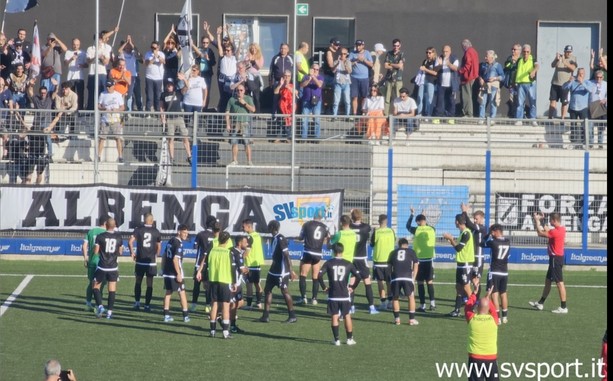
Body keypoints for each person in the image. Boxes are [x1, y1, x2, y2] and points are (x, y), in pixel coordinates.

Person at [317, 242, 360, 346]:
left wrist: (324, 287)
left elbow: (319, 275)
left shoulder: (329, 263)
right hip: (344, 294)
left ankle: (336, 340)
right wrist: (352, 287)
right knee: (347, 316)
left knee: (334, 316)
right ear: (342, 251)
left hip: (333, 294)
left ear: (333, 251)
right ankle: (349, 339)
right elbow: (358, 277)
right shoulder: (348, 263)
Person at [258, 220, 298, 323]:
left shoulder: (281, 239)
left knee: (285, 291)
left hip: (281, 272)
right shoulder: (274, 238)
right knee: (267, 290)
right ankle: (265, 315)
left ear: (272, 227)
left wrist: (291, 271)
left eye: (269, 226)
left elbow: (287, 256)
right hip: (273, 270)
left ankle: (292, 315)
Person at [529, 212, 568, 314]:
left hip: (556, 259)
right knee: (548, 281)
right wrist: (542, 220)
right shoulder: (561, 229)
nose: (550, 222)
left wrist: (537, 220)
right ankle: (541, 303)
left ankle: (563, 307)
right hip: (555, 259)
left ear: (554, 221)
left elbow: (540, 233)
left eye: (551, 220)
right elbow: (547, 229)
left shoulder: (555, 232)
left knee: (559, 283)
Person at [201, 231, 237, 338]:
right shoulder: (228, 253)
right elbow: (232, 268)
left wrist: (205, 280)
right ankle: (225, 332)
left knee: (214, 305)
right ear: (227, 241)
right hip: (225, 281)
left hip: (213, 281)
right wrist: (234, 282)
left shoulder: (212, 251)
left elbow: (205, 266)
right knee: (226, 306)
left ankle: (212, 331)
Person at [443, 213, 475, 317]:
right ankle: (457, 310)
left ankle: (473, 310)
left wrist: (451, 239)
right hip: (460, 264)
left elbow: (458, 249)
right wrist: (451, 240)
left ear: (457, 222)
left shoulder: (466, 233)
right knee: (458, 287)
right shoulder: (462, 232)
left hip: (465, 264)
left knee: (466, 287)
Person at [128, 212, 162, 312]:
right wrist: (156, 255)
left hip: (140, 261)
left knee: (138, 282)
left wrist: (132, 253)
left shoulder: (138, 230)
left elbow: (130, 241)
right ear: (152, 221)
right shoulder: (156, 231)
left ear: (144, 220)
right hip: (151, 262)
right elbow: (158, 246)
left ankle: (137, 303)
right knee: (149, 284)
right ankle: (147, 305)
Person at [465, 289, 500, 381]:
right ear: (488, 308)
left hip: (475, 358)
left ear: (477, 307)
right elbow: (492, 309)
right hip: (491, 358)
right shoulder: (494, 319)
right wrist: (487, 296)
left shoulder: (472, 318)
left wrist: (474, 293)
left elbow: (467, 307)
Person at [92, 218, 124, 319]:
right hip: (113, 267)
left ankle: (100, 306)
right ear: (114, 226)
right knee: (112, 290)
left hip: (102, 266)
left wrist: (95, 247)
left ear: (106, 225)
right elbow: (120, 252)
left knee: (95, 286)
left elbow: (96, 251)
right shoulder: (119, 237)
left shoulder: (100, 236)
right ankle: (109, 313)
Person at [296, 209, 330, 305]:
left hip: (308, 251)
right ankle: (314, 298)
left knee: (303, 275)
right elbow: (327, 239)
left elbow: (301, 237)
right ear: (322, 217)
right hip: (318, 253)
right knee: (315, 276)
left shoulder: (307, 224)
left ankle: (303, 297)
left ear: (313, 216)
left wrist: (297, 239)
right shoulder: (325, 227)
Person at [406, 207, 436, 312]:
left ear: (418, 222)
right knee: (430, 282)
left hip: (419, 260)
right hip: (429, 260)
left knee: (420, 283)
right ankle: (432, 303)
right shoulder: (432, 229)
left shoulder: (416, 229)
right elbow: (426, 225)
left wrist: (412, 214)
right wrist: (423, 216)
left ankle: (422, 305)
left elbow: (407, 226)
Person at [349, 208, 378, 314]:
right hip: (362, 258)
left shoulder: (350, 227)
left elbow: (348, 223)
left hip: (352, 258)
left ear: (352, 217)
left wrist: (351, 216)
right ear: (361, 216)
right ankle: (371, 307)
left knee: (352, 282)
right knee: (367, 282)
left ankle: (351, 307)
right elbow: (369, 229)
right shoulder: (366, 227)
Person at [482, 224, 511, 324]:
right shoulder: (507, 241)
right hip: (504, 272)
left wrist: (488, 235)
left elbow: (481, 243)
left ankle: (497, 318)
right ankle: (505, 317)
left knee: (494, 294)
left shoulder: (493, 242)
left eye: (492, 232)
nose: (491, 234)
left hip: (494, 271)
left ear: (495, 231)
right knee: (503, 294)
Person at [162, 224, 191, 323]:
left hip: (167, 272)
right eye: (184, 232)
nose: (186, 235)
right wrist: (178, 273)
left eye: (187, 233)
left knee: (168, 292)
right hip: (174, 273)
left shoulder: (171, 240)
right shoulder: (178, 243)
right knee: (182, 293)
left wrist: (163, 268)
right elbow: (175, 259)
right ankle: (185, 315)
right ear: (178, 232)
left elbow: (164, 255)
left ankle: (166, 315)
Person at [159, 78, 191, 165]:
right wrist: (162, 118)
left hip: (179, 117)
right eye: (167, 85)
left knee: (185, 137)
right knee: (171, 139)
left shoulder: (178, 93)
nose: (169, 86)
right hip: (170, 119)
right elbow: (161, 107)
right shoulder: (163, 94)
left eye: (170, 85)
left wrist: (184, 78)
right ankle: (172, 158)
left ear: (173, 85)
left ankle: (189, 156)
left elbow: (187, 87)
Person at [388, 238, 419, 325]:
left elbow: (389, 267)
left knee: (395, 297)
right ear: (407, 245)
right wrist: (414, 278)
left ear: (398, 245)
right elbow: (416, 265)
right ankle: (411, 319)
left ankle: (397, 319)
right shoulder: (411, 251)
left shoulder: (393, 252)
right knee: (411, 296)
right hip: (407, 277)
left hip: (396, 277)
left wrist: (391, 278)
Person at [563, 67, 595, 148]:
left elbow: (591, 90)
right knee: (573, 125)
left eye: (581, 74)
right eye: (578, 74)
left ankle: (584, 143)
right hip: (573, 107)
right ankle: (573, 142)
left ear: (584, 74)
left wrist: (582, 83)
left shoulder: (587, 82)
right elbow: (564, 88)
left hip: (583, 108)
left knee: (584, 125)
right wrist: (569, 81)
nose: (580, 75)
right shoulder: (573, 82)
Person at [191, 215, 217, 312]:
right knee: (208, 285)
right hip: (210, 264)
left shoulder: (201, 234)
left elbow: (195, 246)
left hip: (199, 263)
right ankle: (207, 305)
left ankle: (193, 304)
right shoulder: (216, 236)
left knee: (196, 285)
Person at [461, 203, 488, 298]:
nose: (475, 220)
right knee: (471, 278)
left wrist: (465, 211)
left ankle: (476, 300)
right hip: (471, 256)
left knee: (476, 279)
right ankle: (470, 297)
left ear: (481, 219)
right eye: (474, 219)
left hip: (478, 257)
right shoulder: (474, 228)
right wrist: (463, 212)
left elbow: (469, 224)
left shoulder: (482, 228)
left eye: (476, 219)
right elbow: (465, 222)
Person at [370, 214, 396, 311]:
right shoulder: (391, 231)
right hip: (389, 260)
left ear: (378, 221)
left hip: (379, 261)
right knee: (389, 282)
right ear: (387, 222)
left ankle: (383, 302)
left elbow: (372, 244)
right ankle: (390, 302)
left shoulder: (376, 232)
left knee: (380, 282)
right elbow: (394, 240)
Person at [225, 83, 255, 165]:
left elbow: (253, 109)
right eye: (237, 90)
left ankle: (249, 161)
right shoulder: (231, 99)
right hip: (235, 123)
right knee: (234, 142)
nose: (239, 92)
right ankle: (234, 160)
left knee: (247, 143)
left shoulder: (248, 98)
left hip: (245, 123)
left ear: (244, 91)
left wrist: (244, 103)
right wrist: (228, 124)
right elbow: (227, 112)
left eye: (241, 90)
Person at [82, 216, 107, 311]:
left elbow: (84, 246)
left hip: (92, 261)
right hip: (103, 262)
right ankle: (98, 304)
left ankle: (88, 304)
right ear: (105, 223)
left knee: (91, 283)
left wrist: (85, 258)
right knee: (101, 284)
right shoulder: (106, 233)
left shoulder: (91, 231)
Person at [97, 80, 125, 162]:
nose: (108, 88)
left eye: (110, 86)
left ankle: (120, 156)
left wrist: (117, 110)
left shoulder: (118, 95)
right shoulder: (102, 94)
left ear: (113, 86)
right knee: (102, 138)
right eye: (107, 86)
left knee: (118, 138)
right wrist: (104, 108)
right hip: (105, 119)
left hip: (115, 120)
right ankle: (98, 156)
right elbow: (99, 105)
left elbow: (122, 107)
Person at [85, 30, 113, 110]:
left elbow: (106, 62)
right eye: (98, 39)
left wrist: (101, 58)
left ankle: (101, 109)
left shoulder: (105, 49)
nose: (99, 41)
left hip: (102, 73)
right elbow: (88, 61)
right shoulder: (90, 49)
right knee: (91, 91)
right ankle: (90, 110)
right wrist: (95, 56)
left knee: (102, 91)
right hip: (92, 73)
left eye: (100, 39)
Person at [548, 45, 577, 120]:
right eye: (567, 52)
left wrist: (565, 62)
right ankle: (550, 117)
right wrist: (556, 59)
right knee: (552, 101)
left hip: (565, 84)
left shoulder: (573, 58)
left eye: (570, 52)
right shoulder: (560, 56)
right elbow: (552, 65)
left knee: (564, 103)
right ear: (564, 51)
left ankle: (563, 118)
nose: (568, 53)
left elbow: (573, 68)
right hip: (555, 83)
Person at [513, 44, 539, 126]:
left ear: (530, 51)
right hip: (521, 83)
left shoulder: (533, 59)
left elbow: (537, 66)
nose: (526, 53)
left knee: (532, 101)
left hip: (530, 83)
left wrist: (534, 71)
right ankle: (519, 119)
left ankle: (533, 119)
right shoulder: (520, 60)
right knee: (520, 103)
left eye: (527, 52)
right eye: (524, 52)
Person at [433, 45, 460, 124]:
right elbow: (435, 69)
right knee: (440, 101)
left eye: (446, 51)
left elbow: (455, 68)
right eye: (444, 51)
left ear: (450, 51)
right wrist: (440, 65)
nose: (445, 53)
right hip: (441, 84)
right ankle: (438, 117)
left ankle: (451, 117)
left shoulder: (454, 59)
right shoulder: (439, 58)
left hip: (451, 84)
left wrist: (448, 64)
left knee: (451, 101)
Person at [242, 218, 264, 310]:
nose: (242, 228)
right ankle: (259, 303)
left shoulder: (249, 237)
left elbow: (248, 250)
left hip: (250, 263)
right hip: (257, 263)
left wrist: (241, 256)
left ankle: (249, 304)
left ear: (249, 226)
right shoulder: (257, 235)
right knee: (257, 284)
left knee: (249, 285)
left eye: (243, 227)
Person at [477, 50, 505, 121]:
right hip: (484, 85)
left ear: (492, 57)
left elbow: (502, 76)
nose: (485, 57)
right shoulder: (483, 65)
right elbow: (480, 74)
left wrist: (495, 78)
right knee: (482, 102)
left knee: (493, 102)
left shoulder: (497, 65)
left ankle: (492, 119)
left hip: (493, 86)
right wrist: (480, 79)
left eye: (487, 56)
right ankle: (481, 118)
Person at [268, 43, 293, 120]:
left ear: (288, 49)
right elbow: (271, 70)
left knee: (287, 99)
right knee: (276, 98)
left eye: (285, 48)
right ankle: (274, 115)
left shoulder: (291, 58)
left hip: (288, 81)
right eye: (282, 48)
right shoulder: (275, 58)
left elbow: (294, 71)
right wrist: (270, 82)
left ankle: (289, 116)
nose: (283, 50)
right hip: (278, 81)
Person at [229, 235, 248, 333]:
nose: (247, 244)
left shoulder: (231, 250)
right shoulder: (237, 253)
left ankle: (230, 322)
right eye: (245, 242)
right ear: (240, 243)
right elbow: (242, 269)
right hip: (234, 282)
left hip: (235, 281)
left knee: (239, 302)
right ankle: (230, 323)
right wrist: (246, 269)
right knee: (234, 304)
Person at [192, 34, 216, 109]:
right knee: (198, 91)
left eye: (207, 43)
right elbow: (195, 57)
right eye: (204, 42)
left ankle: (205, 108)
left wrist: (208, 59)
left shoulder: (210, 51)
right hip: (199, 73)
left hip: (207, 74)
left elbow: (213, 63)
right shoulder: (198, 49)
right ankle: (198, 108)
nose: (205, 44)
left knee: (206, 91)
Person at [300, 63, 324, 140]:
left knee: (316, 120)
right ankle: (304, 138)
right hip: (306, 100)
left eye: (317, 69)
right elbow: (302, 85)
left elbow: (319, 85)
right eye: (314, 69)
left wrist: (314, 77)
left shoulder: (320, 77)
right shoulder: (305, 77)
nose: (315, 70)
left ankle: (316, 138)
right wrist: (309, 79)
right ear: (311, 69)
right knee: (304, 120)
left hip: (317, 100)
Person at [349, 39, 373, 115]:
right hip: (354, 77)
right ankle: (354, 113)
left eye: (359, 45)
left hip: (364, 78)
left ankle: (362, 112)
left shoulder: (367, 53)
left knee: (364, 96)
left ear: (363, 46)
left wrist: (364, 60)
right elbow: (347, 63)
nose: (358, 47)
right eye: (357, 45)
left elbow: (371, 64)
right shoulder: (352, 53)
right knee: (354, 96)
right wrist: (355, 61)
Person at [383, 39, 405, 116]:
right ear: (392, 45)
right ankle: (386, 115)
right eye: (394, 45)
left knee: (399, 98)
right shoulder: (389, 53)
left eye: (397, 46)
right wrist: (395, 65)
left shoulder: (402, 54)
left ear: (400, 46)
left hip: (398, 79)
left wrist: (391, 64)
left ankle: (398, 115)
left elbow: (400, 66)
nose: (396, 47)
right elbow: (385, 66)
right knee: (387, 99)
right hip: (389, 79)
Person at [458, 39, 479, 117]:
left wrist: (461, 71)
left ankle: (468, 114)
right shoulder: (474, 51)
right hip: (473, 76)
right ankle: (468, 113)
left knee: (466, 95)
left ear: (464, 46)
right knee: (469, 95)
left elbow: (468, 64)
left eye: (462, 47)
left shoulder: (468, 52)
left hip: (468, 77)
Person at [64, 38, 87, 110]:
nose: (75, 46)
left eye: (77, 45)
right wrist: (71, 59)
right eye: (74, 44)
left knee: (80, 95)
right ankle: (71, 110)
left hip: (80, 77)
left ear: (79, 45)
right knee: (71, 95)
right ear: (72, 44)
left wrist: (82, 65)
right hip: (70, 77)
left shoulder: (83, 53)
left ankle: (80, 109)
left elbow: (87, 65)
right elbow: (65, 63)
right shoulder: (68, 52)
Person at [274, 69, 297, 140]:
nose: (287, 78)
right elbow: (275, 92)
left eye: (288, 76)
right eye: (285, 76)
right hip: (282, 106)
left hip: (290, 106)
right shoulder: (280, 84)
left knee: (289, 121)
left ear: (290, 77)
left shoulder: (293, 84)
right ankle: (278, 137)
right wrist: (281, 85)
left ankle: (288, 137)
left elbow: (296, 93)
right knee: (280, 121)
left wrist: (288, 87)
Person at [144, 40, 165, 112]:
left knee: (157, 96)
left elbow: (163, 61)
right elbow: (147, 63)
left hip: (158, 78)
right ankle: (148, 111)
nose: (153, 49)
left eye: (154, 48)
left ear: (158, 48)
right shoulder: (148, 54)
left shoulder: (161, 54)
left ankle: (157, 111)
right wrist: (153, 58)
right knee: (149, 96)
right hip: (149, 77)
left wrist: (157, 56)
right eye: (152, 47)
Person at [416, 47, 438, 117]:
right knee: (420, 97)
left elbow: (435, 73)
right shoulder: (425, 61)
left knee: (429, 98)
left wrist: (425, 69)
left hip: (431, 81)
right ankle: (419, 113)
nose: (428, 54)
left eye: (430, 53)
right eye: (427, 53)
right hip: (423, 81)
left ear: (433, 53)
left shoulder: (435, 61)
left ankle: (428, 114)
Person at [588, 69, 607, 148]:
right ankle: (591, 143)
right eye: (597, 77)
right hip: (592, 106)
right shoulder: (591, 83)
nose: (598, 79)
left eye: (600, 77)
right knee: (590, 126)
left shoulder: (606, 84)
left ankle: (600, 143)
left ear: (603, 77)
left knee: (601, 126)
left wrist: (605, 99)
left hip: (601, 107)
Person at [503, 44, 521, 118]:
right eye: (512, 49)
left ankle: (519, 114)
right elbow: (507, 66)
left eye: (514, 49)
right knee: (512, 98)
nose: (513, 51)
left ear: (519, 51)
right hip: (511, 83)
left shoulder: (522, 59)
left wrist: (516, 63)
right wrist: (512, 63)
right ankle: (513, 114)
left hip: (519, 83)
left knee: (519, 98)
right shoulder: (510, 58)